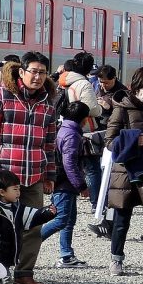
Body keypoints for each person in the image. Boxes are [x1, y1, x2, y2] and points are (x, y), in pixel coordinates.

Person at [0, 52, 57, 284]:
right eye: (34, 71)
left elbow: (50, 143)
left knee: (34, 225)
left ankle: (24, 273)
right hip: (5, 174)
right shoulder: (1, 96)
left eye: (42, 73)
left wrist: (50, 175)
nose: (38, 77)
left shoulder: (48, 103)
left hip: (35, 174)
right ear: (22, 71)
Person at [105, 66, 143, 279]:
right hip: (126, 171)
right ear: (134, 88)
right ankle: (116, 258)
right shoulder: (122, 107)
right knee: (122, 218)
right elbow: (110, 141)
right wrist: (132, 141)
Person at [40, 101, 91, 268]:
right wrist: (81, 186)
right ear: (83, 119)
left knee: (68, 220)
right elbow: (69, 163)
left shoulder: (63, 129)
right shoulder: (72, 135)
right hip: (64, 183)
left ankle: (67, 255)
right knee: (61, 219)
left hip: (61, 181)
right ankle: (28, 243)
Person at [59, 52, 103, 205]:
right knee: (93, 168)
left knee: (72, 162)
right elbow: (91, 109)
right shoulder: (83, 84)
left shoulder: (64, 80)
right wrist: (100, 108)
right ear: (90, 68)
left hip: (67, 125)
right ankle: (96, 201)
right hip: (85, 128)